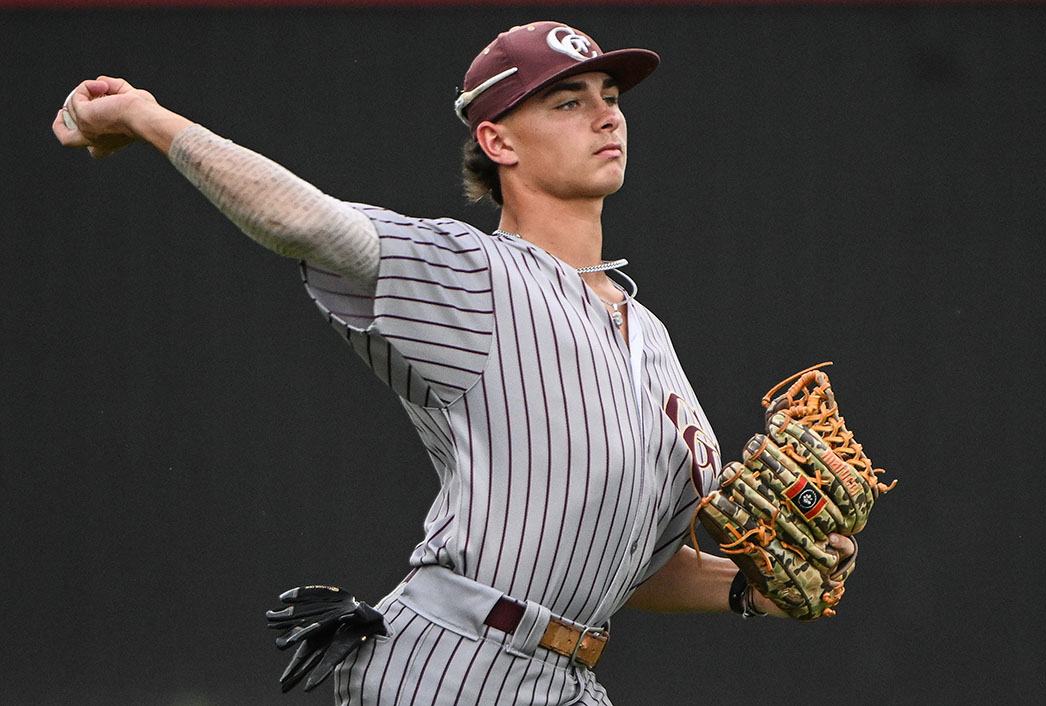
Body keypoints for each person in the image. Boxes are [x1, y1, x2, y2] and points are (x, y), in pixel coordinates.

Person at [53, 21, 854, 706]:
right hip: (455, 662)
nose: (605, 116)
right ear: (497, 140)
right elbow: (302, 222)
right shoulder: (473, 273)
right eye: (567, 102)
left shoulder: (651, 337)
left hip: (568, 679)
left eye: (610, 97)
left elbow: (632, 565)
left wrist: (752, 589)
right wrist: (154, 120)